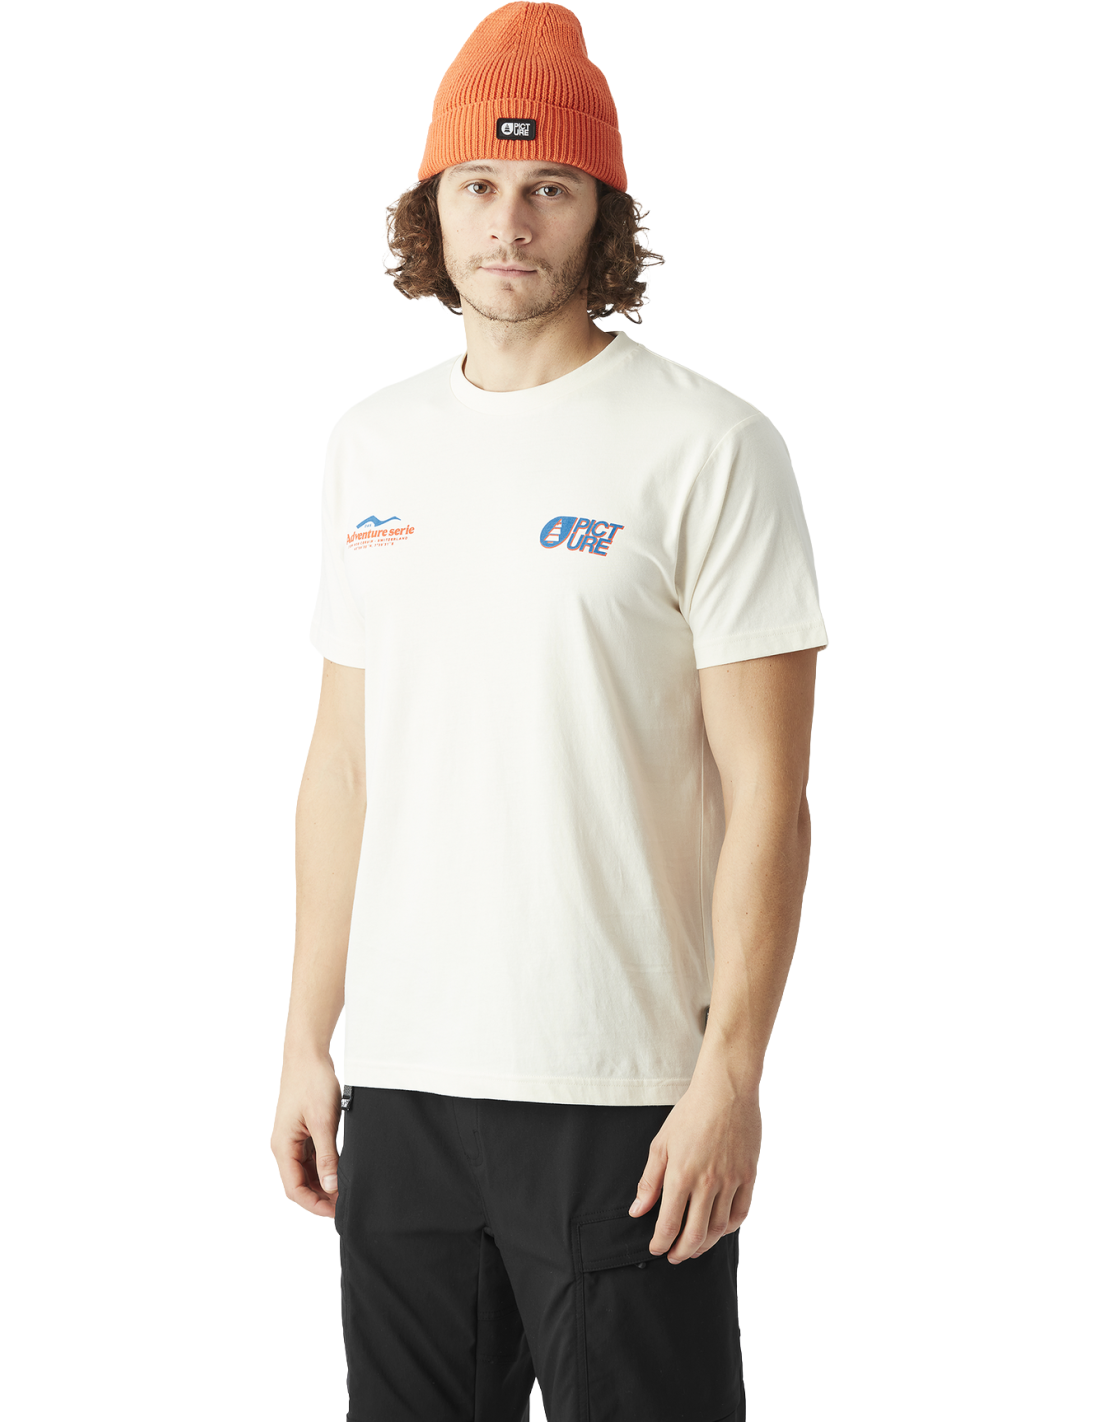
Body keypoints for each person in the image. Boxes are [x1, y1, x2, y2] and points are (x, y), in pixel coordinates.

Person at [270, 4, 829, 1418]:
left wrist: (730, 1075)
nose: (509, 223)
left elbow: (769, 797)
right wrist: (306, 1039)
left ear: (601, 213)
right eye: (478, 184)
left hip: (622, 1087)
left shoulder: (710, 446)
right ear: (433, 206)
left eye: (550, 187)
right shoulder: (371, 445)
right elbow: (342, 768)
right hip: (405, 1086)